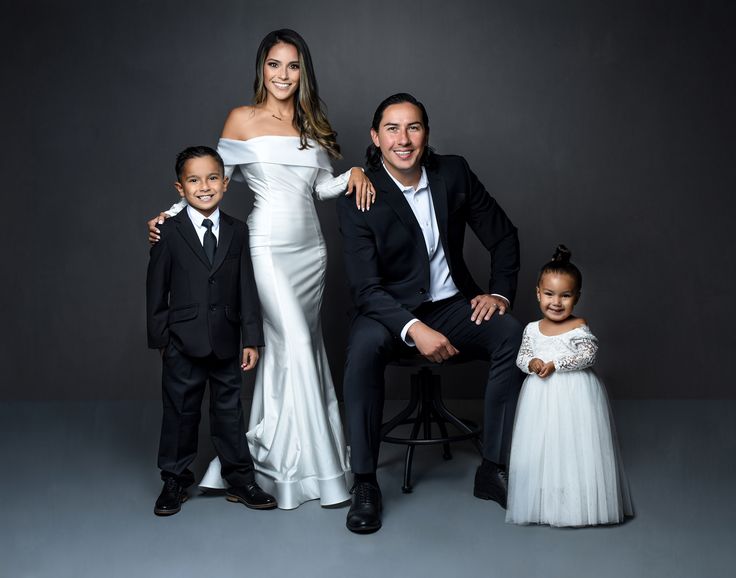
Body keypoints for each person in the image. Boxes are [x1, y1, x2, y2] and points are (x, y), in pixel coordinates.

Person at [147, 29, 374, 509]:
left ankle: (295, 461)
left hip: (311, 251)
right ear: (262, 69)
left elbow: (321, 189)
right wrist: (170, 218)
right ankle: (288, 468)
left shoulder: (314, 125)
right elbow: (212, 179)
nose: (283, 75)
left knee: (302, 350)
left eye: (292, 66)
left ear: (303, 72)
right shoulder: (242, 118)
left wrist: (353, 174)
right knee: (289, 341)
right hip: (266, 246)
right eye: (274, 65)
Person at [336, 93, 525, 534]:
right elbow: (365, 289)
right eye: (392, 129)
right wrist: (413, 327)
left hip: (454, 303)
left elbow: (504, 236)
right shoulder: (358, 194)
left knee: (512, 334)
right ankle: (364, 482)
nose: (404, 139)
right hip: (388, 309)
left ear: (426, 133)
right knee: (362, 349)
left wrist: (499, 293)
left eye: (414, 127)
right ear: (375, 137)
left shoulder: (452, 172)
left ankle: (492, 467)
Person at [146, 146, 277, 515]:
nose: (204, 186)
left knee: (229, 412)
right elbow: (156, 289)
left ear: (225, 183)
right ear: (180, 187)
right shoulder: (167, 232)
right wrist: (162, 341)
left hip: (226, 338)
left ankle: (240, 479)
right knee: (180, 411)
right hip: (182, 342)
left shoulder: (237, 230)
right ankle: (174, 478)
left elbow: (246, 286)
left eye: (212, 178)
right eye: (194, 180)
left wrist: (251, 337)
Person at [506, 245, 633, 527]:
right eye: (549, 294)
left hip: (576, 394)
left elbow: (589, 355)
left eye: (565, 295)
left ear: (577, 296)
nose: (556, 302)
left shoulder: (579, 325)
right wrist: (533, 363)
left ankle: (579, 503)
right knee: (544, 444)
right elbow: (521, 357)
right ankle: (547, 501)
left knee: (575, 444)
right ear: (538, 293)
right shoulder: (531, 329)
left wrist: (556, 364)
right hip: (540, 396)